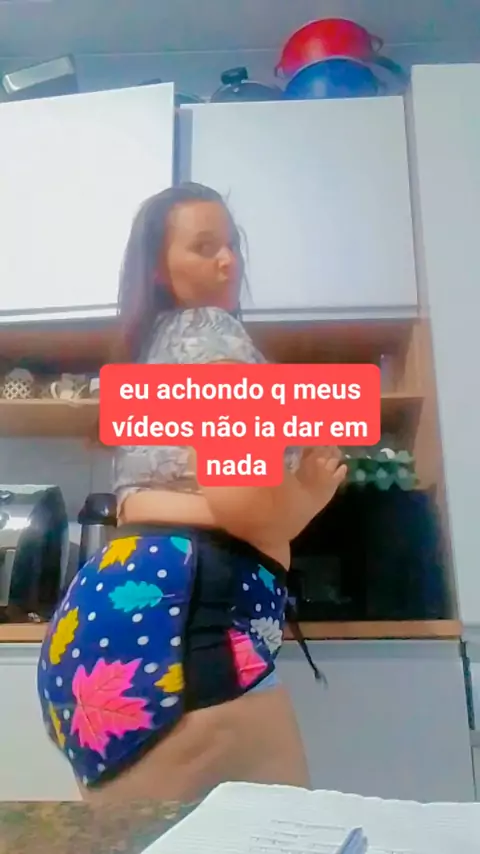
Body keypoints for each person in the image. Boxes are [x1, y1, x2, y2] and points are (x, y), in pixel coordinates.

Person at [37, 183, 346, 803]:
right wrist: (308, 495)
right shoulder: (212, 334)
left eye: (231, 245)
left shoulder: (152, 350)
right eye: (205, 248)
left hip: (109, 641)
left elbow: (139, 501)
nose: (228, 262)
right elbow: (242, 503)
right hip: (188, 635)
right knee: (284, 841)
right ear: (160, 267)